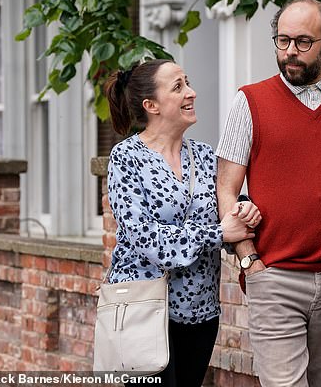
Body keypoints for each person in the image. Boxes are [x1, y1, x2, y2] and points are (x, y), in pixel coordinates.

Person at [216, 0, 321, 387]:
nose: (290, 52)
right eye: (282, 40)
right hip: (273, 279)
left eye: (302, 42)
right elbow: (226, 189)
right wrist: (249, 263)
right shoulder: (250, 101)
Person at [104, 59, 262, 387]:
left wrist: (244, 211)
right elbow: (145, 237)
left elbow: (226, 210)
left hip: (201, 311)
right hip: (143, 308)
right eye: (178, 87)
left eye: (187, 82)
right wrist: (220, 233)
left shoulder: (206, 157)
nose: (191, 92)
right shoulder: (125, 159)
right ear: (152, 105)